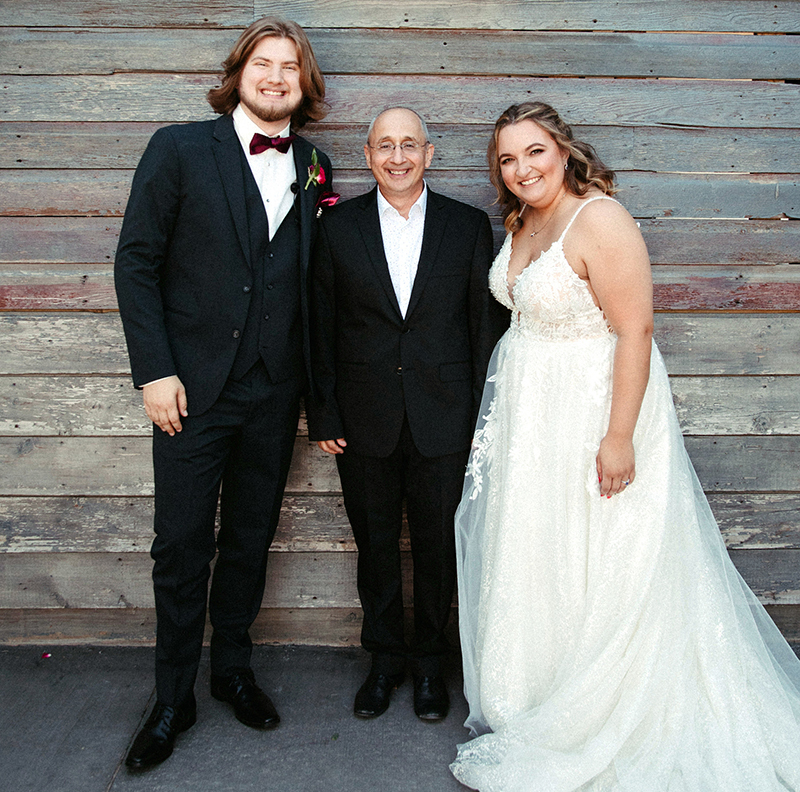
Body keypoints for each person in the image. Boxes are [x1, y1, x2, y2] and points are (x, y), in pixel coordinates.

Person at [450, 101, 800, 791]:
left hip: (593, 408)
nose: (522, 169)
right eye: (508, 160)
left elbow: (635, 331)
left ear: (564, 150)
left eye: (534, 153)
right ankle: (540, 688)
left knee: (599, 547)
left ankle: (601, 705)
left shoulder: (599, 218)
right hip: (534, 416)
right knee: (544, 545)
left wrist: (617, 438)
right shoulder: (524, 219)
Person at [114, 17, 333, 770]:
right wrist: (154, 370)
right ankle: (172, 696)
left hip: (274, 394)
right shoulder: (177, 149)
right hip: (190, 391)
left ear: (304, 86)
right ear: (239, 72)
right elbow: (136, 262)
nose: (276, 78)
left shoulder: (315, 164)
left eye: (290, 68)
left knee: (247, 538)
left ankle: (232, 669)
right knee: (181, 545)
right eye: (264, 64)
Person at [307, 107, 507, 722]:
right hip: (362, 420)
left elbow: (484, 329)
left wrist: (482, 419)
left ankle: (429, 667)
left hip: (444, 419)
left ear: (429, 153)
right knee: (374, 547)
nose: (398, 156)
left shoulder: (467, 226)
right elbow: (319, 327)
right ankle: (384, 659)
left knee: (438, 547)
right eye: (385, 145)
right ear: (367, 155)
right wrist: (325, 414)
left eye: (410, 145)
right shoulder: (336, 228)